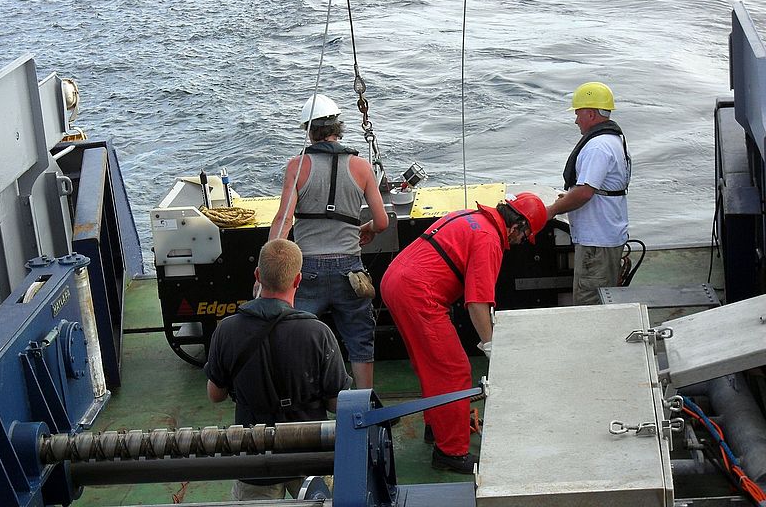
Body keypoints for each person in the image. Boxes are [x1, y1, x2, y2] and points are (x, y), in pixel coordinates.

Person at [380, 193, 547, 474]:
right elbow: (477, 303)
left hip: (396, 281)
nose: (519, 244)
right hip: (418, 294)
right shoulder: (489, 240)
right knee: (453, 370)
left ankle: (439, 426)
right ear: (517, 227)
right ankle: (451, 452)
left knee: (430, 364)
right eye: (524, 237)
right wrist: (494, 347)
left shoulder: (471, 217)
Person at [205, 239, 351, 501]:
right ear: (298, 280)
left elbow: (215, 394)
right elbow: (336, 403)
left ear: (258, 276)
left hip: (256, 458)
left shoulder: (226, 330)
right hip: (310, 455)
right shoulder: (318, 333)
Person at [267, 94, 389, 389]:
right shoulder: (361, 166)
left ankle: (304, 400)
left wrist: (266, 272)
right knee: (360, 341)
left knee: (297, 337)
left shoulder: (297, 166)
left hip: (305, 269)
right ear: (339, 126)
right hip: (351, 270)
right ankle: (364, 405)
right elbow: (383, 222)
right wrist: (368, 227)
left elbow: (283, 221)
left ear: (309, 131)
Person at [546, 81, 631, 305]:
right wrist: (569, 197)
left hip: (597, 242)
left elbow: (585, 193)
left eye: (578, 114)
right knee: (603, 297)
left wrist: (552, 210)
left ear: (591, 114)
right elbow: (599, 187)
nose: (576, 120)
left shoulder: (597, 146)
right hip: (606, 235)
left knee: (589, 302)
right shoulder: (613, 140)